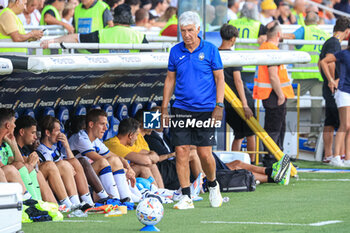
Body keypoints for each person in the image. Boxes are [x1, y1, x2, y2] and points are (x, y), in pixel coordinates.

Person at [161, 11, 225, 209]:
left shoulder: (211, 50)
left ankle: (213, 185)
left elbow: (220, 79)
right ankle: (186, 195)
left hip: (206, 109)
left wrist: (219, 105)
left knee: (205, 154)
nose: (186, 34)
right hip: (181, 108)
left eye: (190, 30)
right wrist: (164, 107)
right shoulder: (175, 51)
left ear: (198, 30)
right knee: (181, 151)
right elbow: (170, 79)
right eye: (183, 31)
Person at [283, 12, 330, 148]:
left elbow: (292, 37)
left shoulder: (303, 30)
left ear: (305, 20)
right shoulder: (324, 34)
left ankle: (289, 134)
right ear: (318, 21)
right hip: (318, 75)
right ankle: (313, 138)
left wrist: (280, 36)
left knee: (290, 103)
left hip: (302, 75)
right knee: (316, 106)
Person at [69, 109, 138, 202]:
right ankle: (115, 199)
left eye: (106, 124)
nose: (105, 128)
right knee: (104, 162)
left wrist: (128, 167)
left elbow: (115, 157)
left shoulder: (96, 140)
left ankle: (126, 198)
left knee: (114, 160)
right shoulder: (80, 138)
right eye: (102, 124)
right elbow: (99, 159)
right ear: (91, 124)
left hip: (90, 177)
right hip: (75, 178)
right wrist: (124, 170)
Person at [253, 21, 294, 167]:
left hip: (269, 93)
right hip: (274, 94)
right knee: (275, 128)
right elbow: (273, 75)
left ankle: (275, 157)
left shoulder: (265, 47)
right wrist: (281, 94)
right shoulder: (271, 49)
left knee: (275, 126)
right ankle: (273, 159)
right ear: (278, 34)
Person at [218, 24, 256, 163]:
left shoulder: (215, 54)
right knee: (251, 132)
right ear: (233, 39)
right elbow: (238, 81)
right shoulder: (233, 56)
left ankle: (234, 162)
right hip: (240, 99)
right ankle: (252, 162)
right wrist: (245, 104)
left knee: (238, 134)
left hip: (224, 100)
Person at [40, 4, 148, 53]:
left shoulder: (102, 34)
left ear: (114, 18)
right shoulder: (139, 36)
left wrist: (53, 40)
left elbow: (75, 38)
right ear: (130, 18)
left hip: (104, 79)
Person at [37, 116, 95, 206]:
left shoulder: (54, 148)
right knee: (64, 165)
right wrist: (67, 167)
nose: (60, 134)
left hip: (64, 184)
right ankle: (73, 204)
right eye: (57, 131)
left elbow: (73, 164)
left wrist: (67, 146)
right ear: (47, 132)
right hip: (53, 187)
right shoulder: (40, 150)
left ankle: (88, 202)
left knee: (75, 162)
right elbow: (50, 171)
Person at [144, 107, 203, 190]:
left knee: (196, 150)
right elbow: (165, 154)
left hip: (170, 165)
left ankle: (201, 185)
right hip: (163, 169)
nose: (167, 121)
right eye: (163, 118)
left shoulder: (164, 134)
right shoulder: (150, 136)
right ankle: (202, 186)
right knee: (192, 154)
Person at [319, 16, 350, 165]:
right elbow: (327, 62)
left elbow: (321, 62)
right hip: (335, 88)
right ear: (347, 31)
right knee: (341, 122)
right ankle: (339, 155)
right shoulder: (334, 43)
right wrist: (333, 79)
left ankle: (330, 155)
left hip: (329, 86)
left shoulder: (330, 42)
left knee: (331, 121)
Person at [104, 117, 164, 188]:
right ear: (130, 135)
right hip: (111, 176)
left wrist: (141, 159)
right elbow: (146, 161)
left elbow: (155, 156)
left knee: (152, 165)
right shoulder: (114, 144)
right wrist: (140, 160)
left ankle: (162, 192)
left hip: (125, 172)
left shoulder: (127, 144)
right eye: (136, 135)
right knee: (144, 168)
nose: (136, 138)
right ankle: (156, 194)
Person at [14, 115, 57, 203]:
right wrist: (30, 164)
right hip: (17, 183)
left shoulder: (27, 148)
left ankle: (60, 205)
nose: (35, 137)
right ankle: (41, 204)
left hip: (30, 179)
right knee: (45, 168)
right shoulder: (12, 147)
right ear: (22, 132)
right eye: (32, 133)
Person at [0, 108, 39, 200]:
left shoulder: (6, 143)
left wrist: (13, 144)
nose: (15, 126)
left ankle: (38, 202)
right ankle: (30, 203)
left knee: (32, 171)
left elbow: (22, 166)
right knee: (10, 169)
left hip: (6, 177)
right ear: (8, 125)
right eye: (14, 123)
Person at [228, 2, 267, 84]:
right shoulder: (259, 26)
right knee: (247, 91)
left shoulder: (231, 22)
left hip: (233, 61)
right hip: (249, 63)